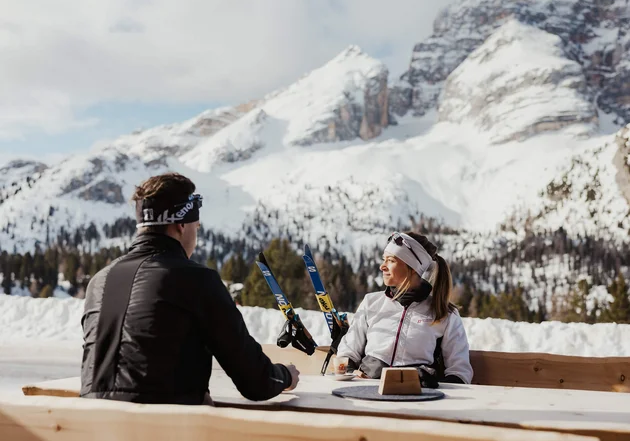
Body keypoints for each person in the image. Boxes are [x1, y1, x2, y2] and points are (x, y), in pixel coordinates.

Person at [80, 172, 299, 404]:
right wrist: (285, 376)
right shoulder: (197, 280)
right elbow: (256, 382)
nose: (196, 234)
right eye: (197, 227)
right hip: (169, 428)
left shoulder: (99, 282)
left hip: (93, 428)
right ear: (181, 225)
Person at [336, 231, 473, 386]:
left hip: (418, 397)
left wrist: (432, 386)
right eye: (383, 260)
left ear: (413, 268)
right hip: (367, 389)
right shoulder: (371, 302)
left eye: (391, 260)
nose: (382, 266)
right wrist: (350, 372)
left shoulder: (444, 313)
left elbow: (460, 372)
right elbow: (347, 352)